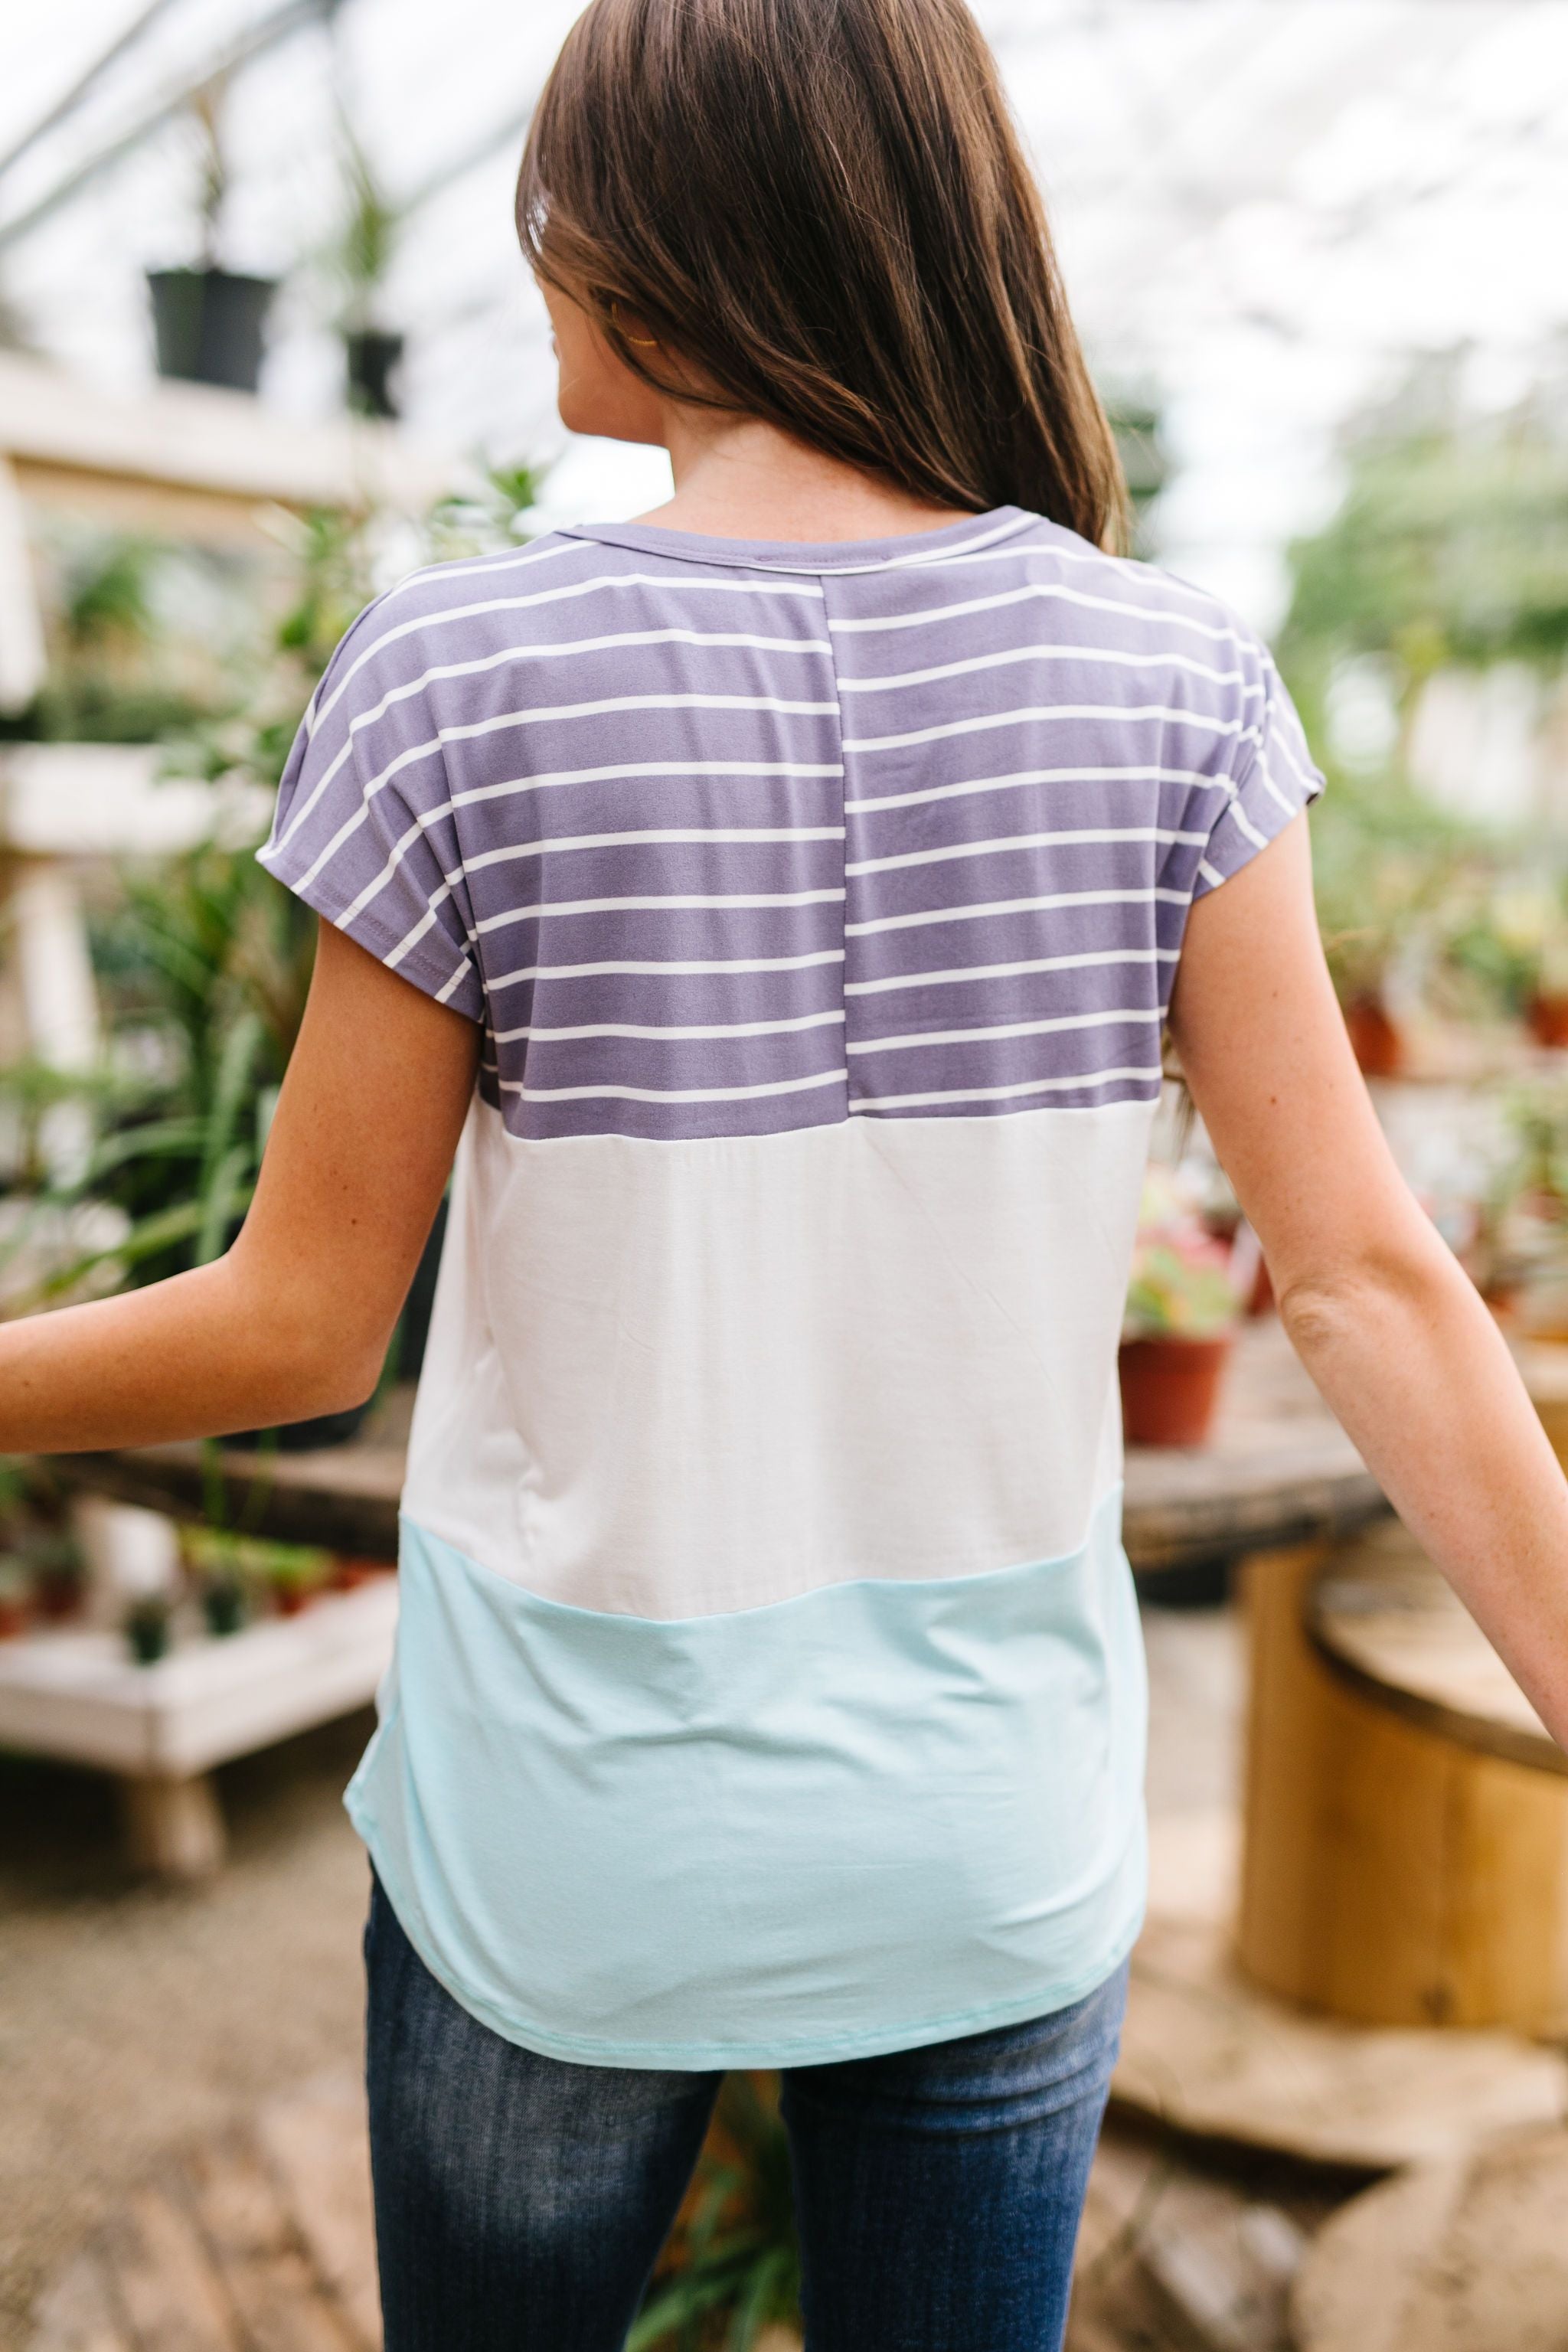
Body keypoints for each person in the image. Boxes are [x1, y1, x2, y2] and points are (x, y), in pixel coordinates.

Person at [13, 0, 1568, 2344]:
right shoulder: (1179, 687)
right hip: (986, 1846)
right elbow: (1358, 1277)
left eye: (552, 198)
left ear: (650, 236)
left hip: (571, 1853)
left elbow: (305, 1323)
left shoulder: (457, 674)